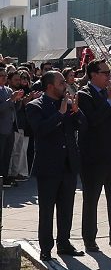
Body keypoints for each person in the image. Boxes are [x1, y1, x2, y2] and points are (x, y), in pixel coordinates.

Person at [26, 71, 87, 260]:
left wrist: (76, 112)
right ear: (50, 86)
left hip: (68, 164)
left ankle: (64, 243)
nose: (65, 86)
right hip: (48, 166)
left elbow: (83, 126)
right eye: (62, 83)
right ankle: (46, 247)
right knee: (47, 209)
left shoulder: (68, 104)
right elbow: (40, 130)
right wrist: (60, 114)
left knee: (66, 207)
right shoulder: (35, 106)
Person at [77, 59, 111, 251]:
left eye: (109, 73)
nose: (109, 76)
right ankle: (89, 239)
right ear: (93, 74)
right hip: (94, 156)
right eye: (105, 73)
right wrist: (109, 102)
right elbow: (93, 120)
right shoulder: (84, 94)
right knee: (91, 199)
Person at [0, 70, 24, 187]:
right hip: (1, 128)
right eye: (2, 76)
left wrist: (18, 100)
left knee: (7, 154)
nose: (4, 78)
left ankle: (5, 177)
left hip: (10, 127)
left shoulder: (9, 90)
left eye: (5, 76)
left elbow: (15, 109)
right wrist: (11, 100)